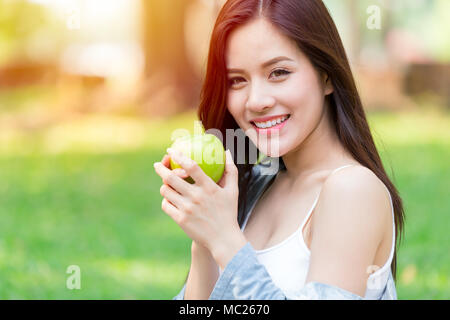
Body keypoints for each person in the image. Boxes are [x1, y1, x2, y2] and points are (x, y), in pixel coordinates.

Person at [153, 0, 404, 300]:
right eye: (237, 80)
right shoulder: (249, 187)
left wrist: (225, 240)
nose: (256, 100)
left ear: (326, 75)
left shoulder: (353, 190)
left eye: (279, 72)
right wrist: (204, 239)